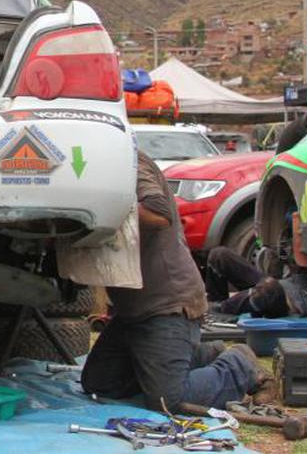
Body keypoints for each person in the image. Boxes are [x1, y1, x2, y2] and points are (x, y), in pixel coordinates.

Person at [81, 151, 263, 411]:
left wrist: (102, 210)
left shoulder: (127, 161)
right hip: (135, 308)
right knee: (100, 383)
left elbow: (158, 212)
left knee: (168, 400)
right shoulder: (91, 166)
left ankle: (239, 365)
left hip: (167, 302)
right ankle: (202, 354)